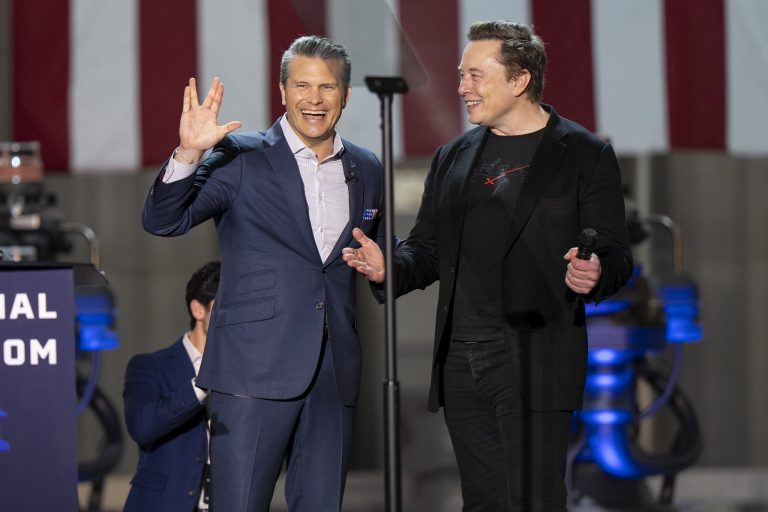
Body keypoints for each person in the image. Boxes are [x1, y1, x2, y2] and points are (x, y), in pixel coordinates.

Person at [343, 20, 634, 511]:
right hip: (461, 360)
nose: (462, 88)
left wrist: (596, 272)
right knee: (482, 501)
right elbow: (427, 251)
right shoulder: (452, 157)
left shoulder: (585, 154)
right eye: (462, 74)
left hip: (535, 357)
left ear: (520, 80)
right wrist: (389, 267)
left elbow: (616, 254)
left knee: (534, 500)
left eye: (475, 75)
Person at [142, 35, 384, 511]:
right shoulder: (240, 156)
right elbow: (164, 221)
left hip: (334, 372)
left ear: (345, 95)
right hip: (252, 370)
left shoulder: (367, 166)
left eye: (327, 87)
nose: (314, 99)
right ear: (282, 90)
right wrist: (188, 154)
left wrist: (389, 266)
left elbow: (376, 247)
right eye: (302, 85)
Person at [123, 261, 220, 512]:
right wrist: (199, 385)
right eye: (225, 308)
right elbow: (142, 426)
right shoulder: (150, 366)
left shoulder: (247, 370)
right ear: (198, 309)